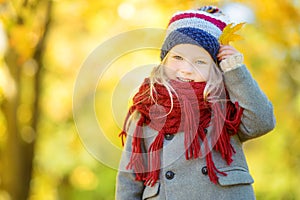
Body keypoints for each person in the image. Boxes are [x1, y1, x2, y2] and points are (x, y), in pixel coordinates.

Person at [116, 5, 275, 200]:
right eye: (178, 57)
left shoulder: (224, 101)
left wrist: (235, 70)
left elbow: (262, 121)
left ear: (215, 68)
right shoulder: (146, 109)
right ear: (164, 61)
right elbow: (129, 178)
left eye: (200, 61)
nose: (186, 69)